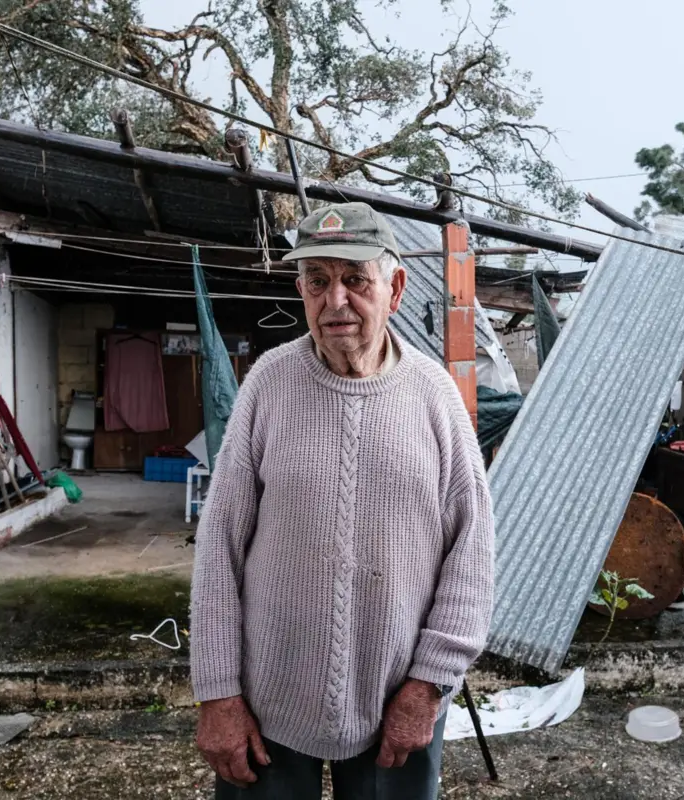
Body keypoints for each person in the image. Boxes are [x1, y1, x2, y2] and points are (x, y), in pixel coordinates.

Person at [190, 201, 495, 799]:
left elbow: (472, 550)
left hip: (398, 701)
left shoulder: (434, 395)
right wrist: (219, 693)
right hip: (266, 704)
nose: (335, 301)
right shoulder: (268, 385)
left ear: (395, 287)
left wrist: (430, 684)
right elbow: (219, 546)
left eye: (355, 280)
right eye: (317, 281)